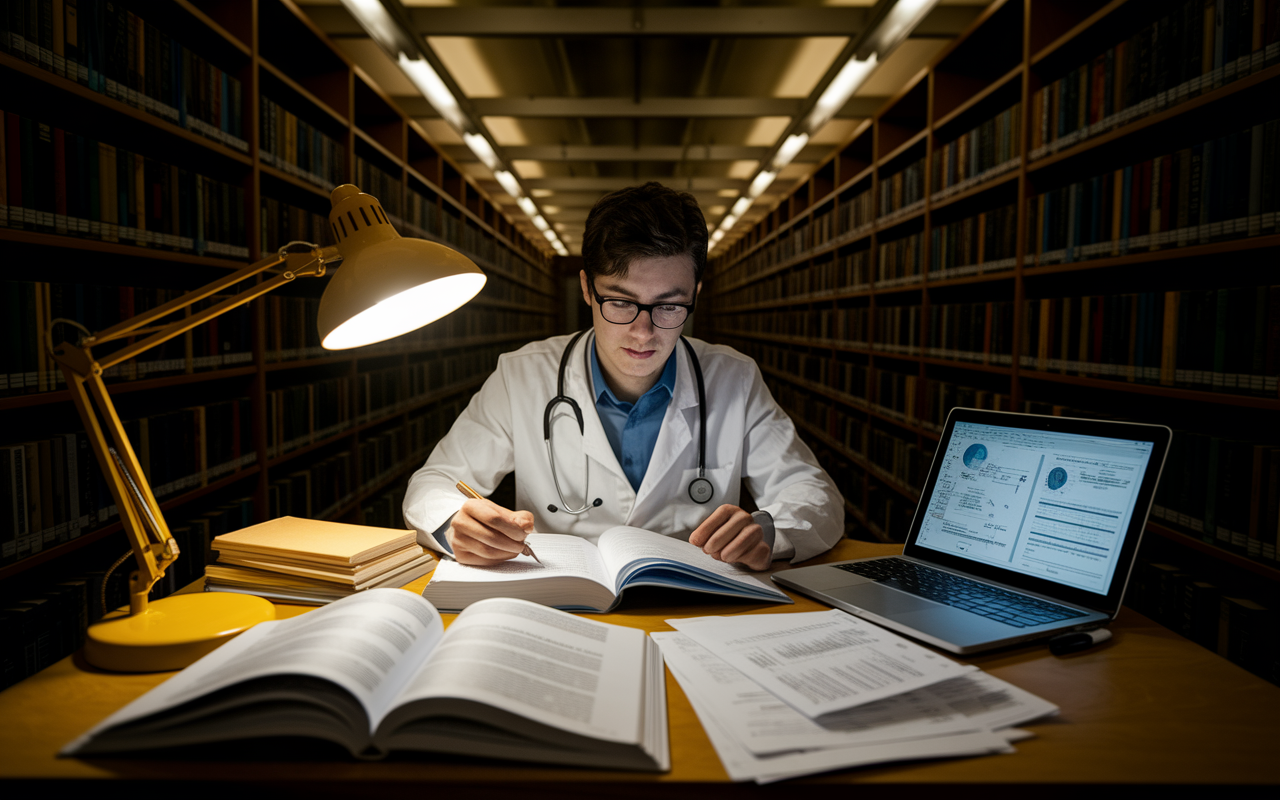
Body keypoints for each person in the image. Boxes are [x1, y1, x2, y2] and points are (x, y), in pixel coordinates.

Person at [403, 182, 843, 569]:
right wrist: (455, 524)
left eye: (669, 305)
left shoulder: (734, 379)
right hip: (563, 609)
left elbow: (817, 497)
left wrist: (768, 530)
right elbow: (432, 484)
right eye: (620, 301)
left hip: (691, 611)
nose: (643, 331)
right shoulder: (520, 376)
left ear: (695, 296)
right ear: (586, 289)